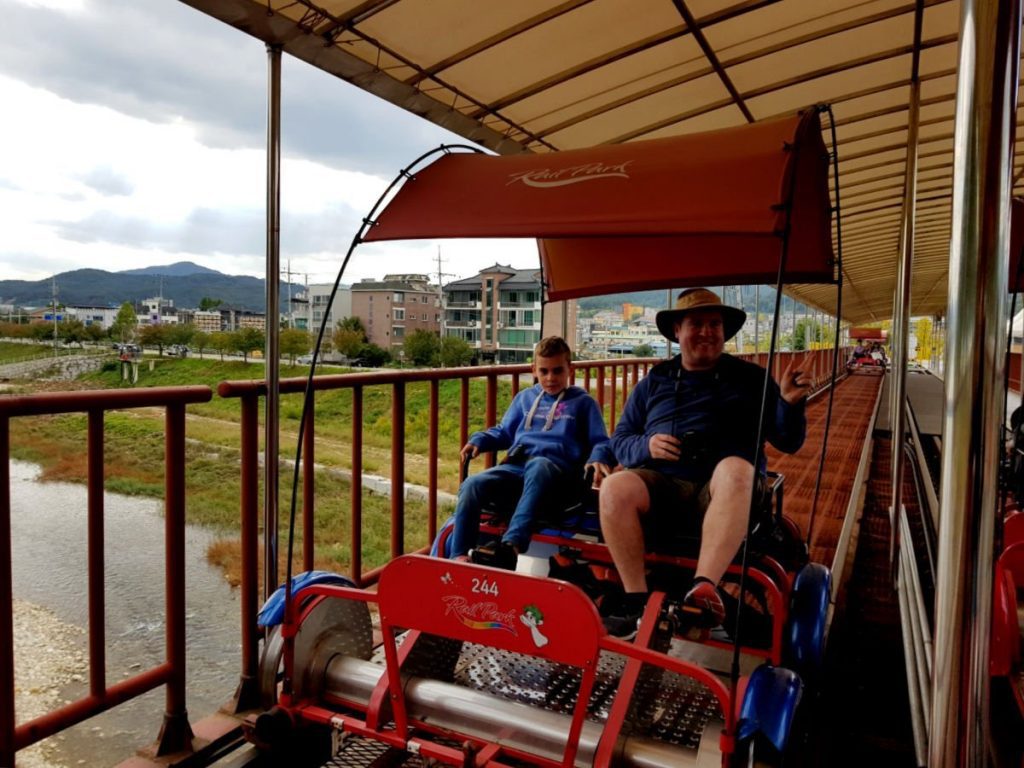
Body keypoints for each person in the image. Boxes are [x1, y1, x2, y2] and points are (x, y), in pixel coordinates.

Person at [598, 288, 811, 638]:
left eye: (715, 324)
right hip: (664, 485)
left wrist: (787, 404)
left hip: (727, 490)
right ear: (678, 331)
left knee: (734, 467)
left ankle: (702, 591)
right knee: (614, 487)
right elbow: (620, 441)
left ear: (725, 332)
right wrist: (647, 445)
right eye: (696, 323)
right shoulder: (656, 380)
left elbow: (788, 442)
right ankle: (635, 597)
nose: (707, 332)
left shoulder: (752, 379)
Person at [449, 336, 615, 570]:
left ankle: (511, 547)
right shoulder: (525, 398)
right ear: (533, 369)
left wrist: (598, 457)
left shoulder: (583, 403)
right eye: (544, 371)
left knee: (539, 466)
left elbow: (601, 440)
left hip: (558, 474)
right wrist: (480, 440)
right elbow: (505, 432)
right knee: (473, 484)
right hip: (518, 466)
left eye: (558, 371)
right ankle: (458, 558)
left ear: (570, 369)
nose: (550, 378)